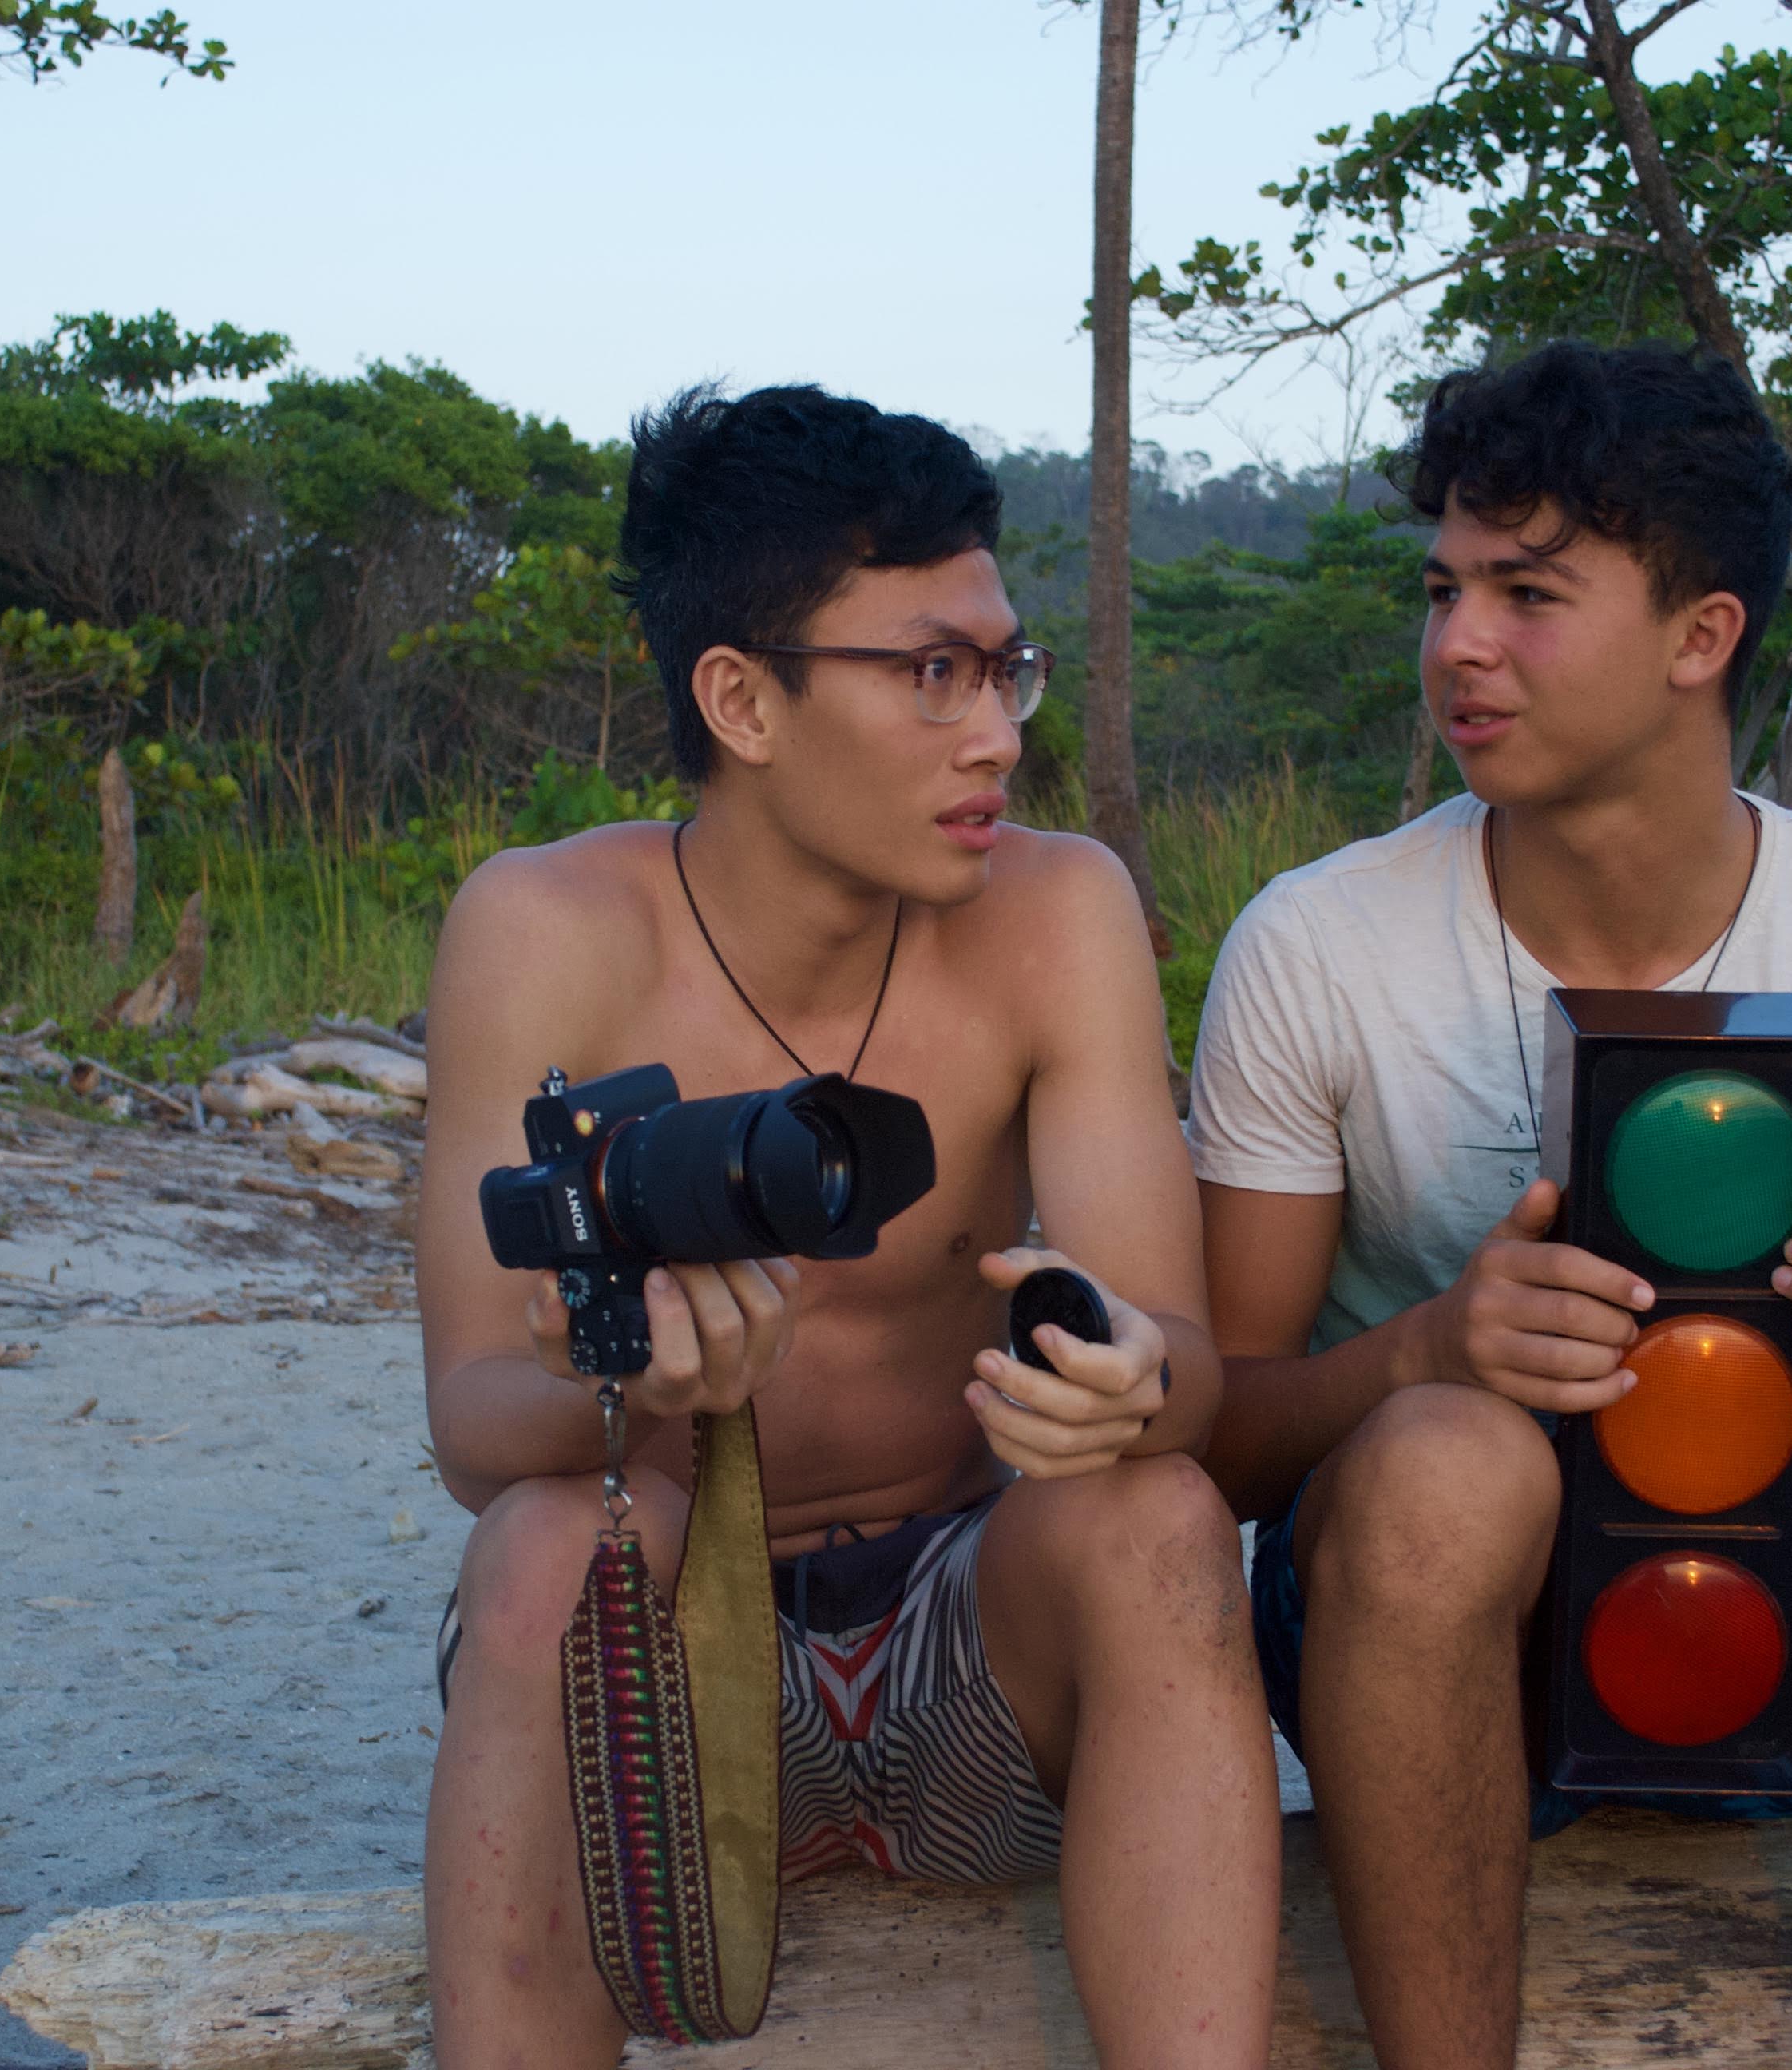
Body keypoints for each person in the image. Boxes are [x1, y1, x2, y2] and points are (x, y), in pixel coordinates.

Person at [1185, 341, 1792, 2067]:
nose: (1456, 645)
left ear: (1702, 637)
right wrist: (1430, 1354)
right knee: (1448, 1459)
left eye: (1528, 595)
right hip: (1432, 1654)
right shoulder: (1320, 946)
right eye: (1445, 589)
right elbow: (1221, 1438)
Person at [414, 383, 1279, 2070]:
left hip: (975, 1666)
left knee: (1162, 1519)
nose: (995, 736)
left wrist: (1128, 1383)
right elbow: (472, 1427)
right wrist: (639, 1390)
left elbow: (1181, 1362)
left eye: (1006, 670)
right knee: (545, 1543)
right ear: (741, 699)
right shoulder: (547, 928)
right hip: (673, 1710)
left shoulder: (1059, 910)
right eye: (932, 673)